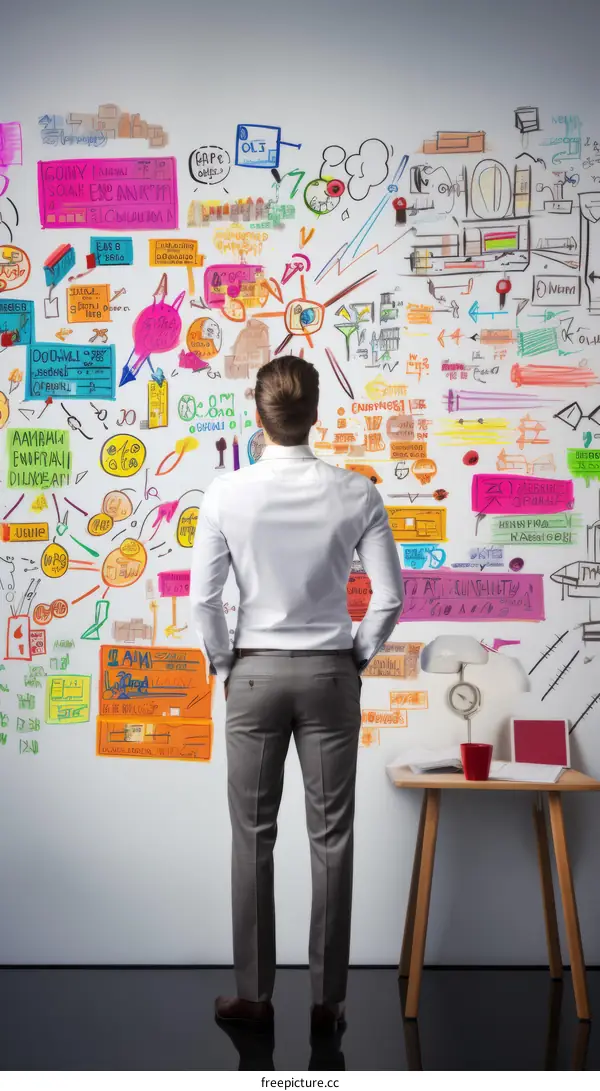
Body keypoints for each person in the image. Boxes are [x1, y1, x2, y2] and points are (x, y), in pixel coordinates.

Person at [190, 355, 404, 1035]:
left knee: (251, 838)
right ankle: (328, 1003)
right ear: (317, 411)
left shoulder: (226, 493)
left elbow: (203, 599)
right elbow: (390, 596)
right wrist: (355, 657)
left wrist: (228, 663)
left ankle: (254, 995)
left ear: (259, 416)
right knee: (331, 837)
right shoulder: (357, 492)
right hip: (330, 675)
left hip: (252, 674)